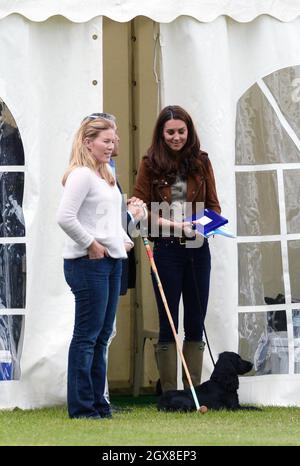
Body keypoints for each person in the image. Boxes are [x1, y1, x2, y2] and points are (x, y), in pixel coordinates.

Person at [133, 105, 221, 392]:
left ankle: (192, 389)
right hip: (166, 250)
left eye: (181, 131)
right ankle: (171, 392)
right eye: (170, 132)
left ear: (189, 131)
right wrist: (177, 227)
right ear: (161, 133)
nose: (176, 137)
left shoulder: (202, 161)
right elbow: (141, 209)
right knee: (168, 319)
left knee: (196, 318)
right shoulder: (149, 163)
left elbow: (214, 206)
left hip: (198, 248)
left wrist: (202, 226)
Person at [57, 117, 133, 419]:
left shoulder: (106, 176)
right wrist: (91, 244)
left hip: (111, 262)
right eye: (106, 141)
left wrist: (122, 239)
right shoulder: (81, 175)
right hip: (88, 264)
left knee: (102, 337)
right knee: (87, 337)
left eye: (114, 141)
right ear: (88, 142)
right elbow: (65, 217)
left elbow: (104, 218)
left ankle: (100, 405)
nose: (112, 146)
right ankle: (82, 407)